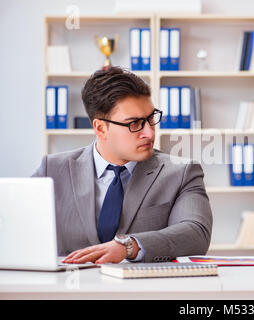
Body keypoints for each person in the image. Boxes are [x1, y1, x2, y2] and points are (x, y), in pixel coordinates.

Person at [32, 66, 213, 264]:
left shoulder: (182, 172)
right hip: (69, 290)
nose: (150, 133)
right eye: (134, 124)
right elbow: (15, 224)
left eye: (151, 119)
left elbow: (196, 233)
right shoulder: (53, 170)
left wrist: (130, 246)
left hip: (141, 291)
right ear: (101, 128)